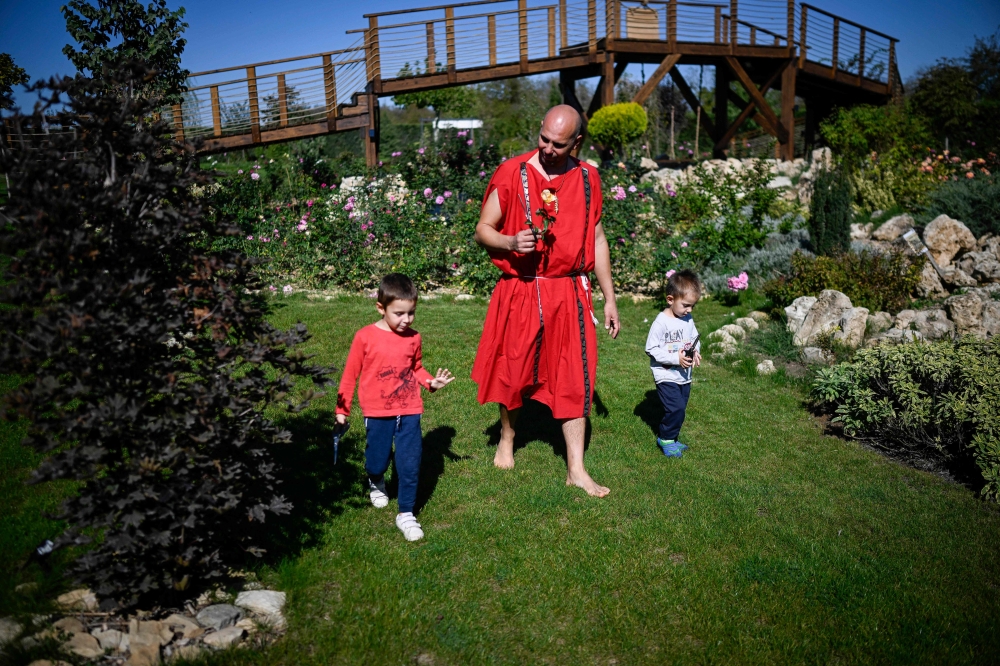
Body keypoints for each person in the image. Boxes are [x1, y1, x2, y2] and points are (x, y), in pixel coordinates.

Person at [471, 104, 620, 498]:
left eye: (559, 144)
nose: (549, 149)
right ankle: (507, 437)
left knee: (576, 377)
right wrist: (509, 241)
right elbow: (482, 229)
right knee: (514, 370)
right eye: (544, 139)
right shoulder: (512, 172)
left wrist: (609, 298)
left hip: (569, 292)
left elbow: (597, 239)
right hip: (522, 287)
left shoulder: (588, 178)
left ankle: (576, 469)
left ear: (577, 142)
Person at [336, 273, 455, 541]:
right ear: (381, 307)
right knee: (376, 459)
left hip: (409, 408)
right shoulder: (364, 337)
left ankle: (406, 513)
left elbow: (416, 368)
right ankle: (376, 479)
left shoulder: (414, 338)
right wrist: (342, 411)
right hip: (377, 412)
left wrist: (430, 383)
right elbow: (350, 376)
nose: (406, 320)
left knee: (410, 463)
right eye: (399, 313)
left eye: (411, 313)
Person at [644, 270, 702, 457]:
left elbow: (694, 338)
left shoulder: (687, 319)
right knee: (675, 407)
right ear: (670, 299)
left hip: (684, 375)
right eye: (686, 305)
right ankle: (666, 439)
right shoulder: (661, 322)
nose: (689, 310)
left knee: (680, 408)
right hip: (666, 374)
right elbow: (651, 349)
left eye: (692, 306)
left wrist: (696, 350)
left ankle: (673, 438)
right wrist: (675, 359)